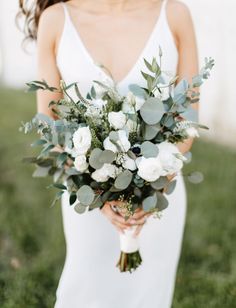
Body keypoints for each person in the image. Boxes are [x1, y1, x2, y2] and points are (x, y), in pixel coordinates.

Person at [19, 0, 198, 307]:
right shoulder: (57, 19)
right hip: (87, 195)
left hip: (158, 196)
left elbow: (188, 118)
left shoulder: (174, 14)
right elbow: (48, 123)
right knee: (84, 291)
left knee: (149, 296)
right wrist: (96, 191)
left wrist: (152, 183)